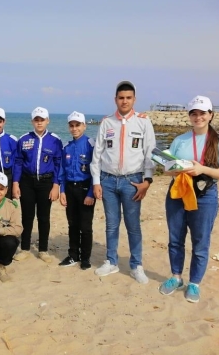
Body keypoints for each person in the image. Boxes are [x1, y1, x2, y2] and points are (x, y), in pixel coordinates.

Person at [159, 96, 219, 303]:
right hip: (178, 193)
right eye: (194, 113)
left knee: (200, 242)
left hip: (204, 195)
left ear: (210, 115)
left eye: (202, 113)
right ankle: (176, 277)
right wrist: (175, 169)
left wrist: (201, 169)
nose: (198, 117)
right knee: (175, 239)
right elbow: (166, 170)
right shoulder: (179, 140)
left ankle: (194, 283)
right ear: (189, 116)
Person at [90, 80, 156, 284]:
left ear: (134, 99)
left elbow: (150, 153)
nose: (124, 101)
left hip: (132, 182)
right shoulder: (107, 122)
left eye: (128, 98)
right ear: (115, 99)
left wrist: (147, 181)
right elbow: (97, 154)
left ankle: (136, 266)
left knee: (133, 225)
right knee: (111, 224)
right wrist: (96, 181)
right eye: (121, 98)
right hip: (108, 181)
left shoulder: (143, 122)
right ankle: (111, 261)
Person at [12, 107, 62, 263]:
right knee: (27, 216)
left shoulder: (55, 140)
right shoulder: (24, 139)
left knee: (44, 217)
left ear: (48, 121)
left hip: (46, 182)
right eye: (36, 120)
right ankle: (25, 248)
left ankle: (43, 250)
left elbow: (58, 164)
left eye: (42, 120)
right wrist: (15, 183)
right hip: (26, 181)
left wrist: (56, 185)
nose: (39, 122)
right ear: (32, 121)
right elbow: (18, 162)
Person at [58, 111, 96, 270]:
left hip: (85, 188)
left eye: (78, 125)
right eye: (72, 126)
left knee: (85, 226)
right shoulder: (66, 146)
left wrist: (91, 193)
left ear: (84, 126)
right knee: (72, 224)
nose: (75, 128)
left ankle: (85, 258)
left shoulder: (91, 144)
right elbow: (62, 170)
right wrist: (62, 191)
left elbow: (96, 171)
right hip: (70, 189)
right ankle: (73, 255)